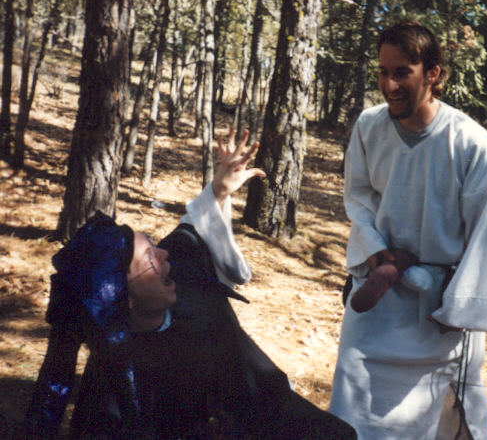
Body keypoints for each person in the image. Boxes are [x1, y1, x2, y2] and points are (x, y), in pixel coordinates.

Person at [23, 130, 356, 439]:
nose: (164, 254)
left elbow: (192, 228)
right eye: (149, 258)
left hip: (272, 407)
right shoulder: (117, 394)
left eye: (153, 243)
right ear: (122, 301)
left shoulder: (179, 275)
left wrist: (220, 190)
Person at [329, 20, 487, 440]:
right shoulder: (369, 126)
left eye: (401, 73)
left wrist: (460, 309)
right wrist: (375, 251)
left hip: (439, 308)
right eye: (382, 72)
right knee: (355, 408)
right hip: (378, 300)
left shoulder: (470, 143)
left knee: (446, 416)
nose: (389, 85)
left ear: (432, 74)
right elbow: (359, 198)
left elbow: (486, 233)